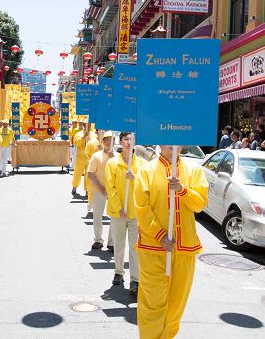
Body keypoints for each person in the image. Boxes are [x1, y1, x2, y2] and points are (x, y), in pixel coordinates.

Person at [134, 145, 208, 339]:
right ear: (159, 142)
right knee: (152, 303)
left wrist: (183, 190)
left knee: (176, 306)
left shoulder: (194, 170)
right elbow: (141, 207)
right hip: (153, 248)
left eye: (177, 140)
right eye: (167, 139)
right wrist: (159, 234)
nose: (172, 144)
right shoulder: (146, 171)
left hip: (185, 248)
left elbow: (200, 204)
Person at [105, 132, 145, 295]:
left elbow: (145, 186)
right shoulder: (113, 163)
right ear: (120, 142)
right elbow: (110, 187)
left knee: (135, 248)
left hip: (136, 212)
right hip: (118, 212)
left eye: (132, 140)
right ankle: (119, 272)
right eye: (126, 139)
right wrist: (118, 207)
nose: (129, 142)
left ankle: (135, 279)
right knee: (119, 244)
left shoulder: (142, 164)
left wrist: (134, 178)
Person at [87, 131, 114, 252]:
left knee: (115, 217)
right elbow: (90, 173)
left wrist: (114, 158)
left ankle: (111, 242)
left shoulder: (118, 157)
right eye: (106, 140)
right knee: (97, 216)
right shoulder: (96, 156)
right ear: (102, 142)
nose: (109, 142)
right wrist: (101, 187)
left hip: (114, 191)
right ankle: (98, 240)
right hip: (99, 190)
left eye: (111, 140)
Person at [71, 122, 96, 196]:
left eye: (89, 125)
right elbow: (76, 143)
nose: (87, 126)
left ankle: (87, 191)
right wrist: (84, 137)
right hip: (80, 157)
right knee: (77, 173)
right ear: (83, 125)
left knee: (88, 175)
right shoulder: (78, 134)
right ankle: (74, 186)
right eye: (85, 125)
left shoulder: (94, 135)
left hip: (90, 158)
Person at [84, 128, 101, 212]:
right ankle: (91, 203)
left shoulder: (106, 144)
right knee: (92, 187)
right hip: (93, 170)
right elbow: (86, 155)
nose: (101, 132)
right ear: (96, 132)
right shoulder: (91, 143)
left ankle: (97, 207)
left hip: (102, 171)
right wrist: (91, 166)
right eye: (99, 131)